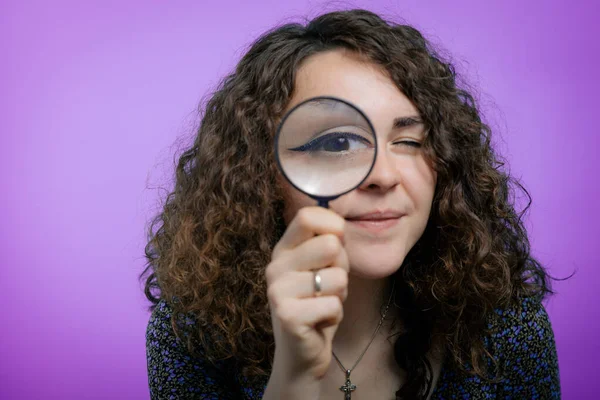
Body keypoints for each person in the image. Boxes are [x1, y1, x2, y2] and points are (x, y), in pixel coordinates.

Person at [142, 9, 560, 400]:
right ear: (260, 174)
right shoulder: (190, 334)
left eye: (410, 141)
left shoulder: (505, 328)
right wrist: (295, 376)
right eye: (338, 142)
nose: (383, 175)